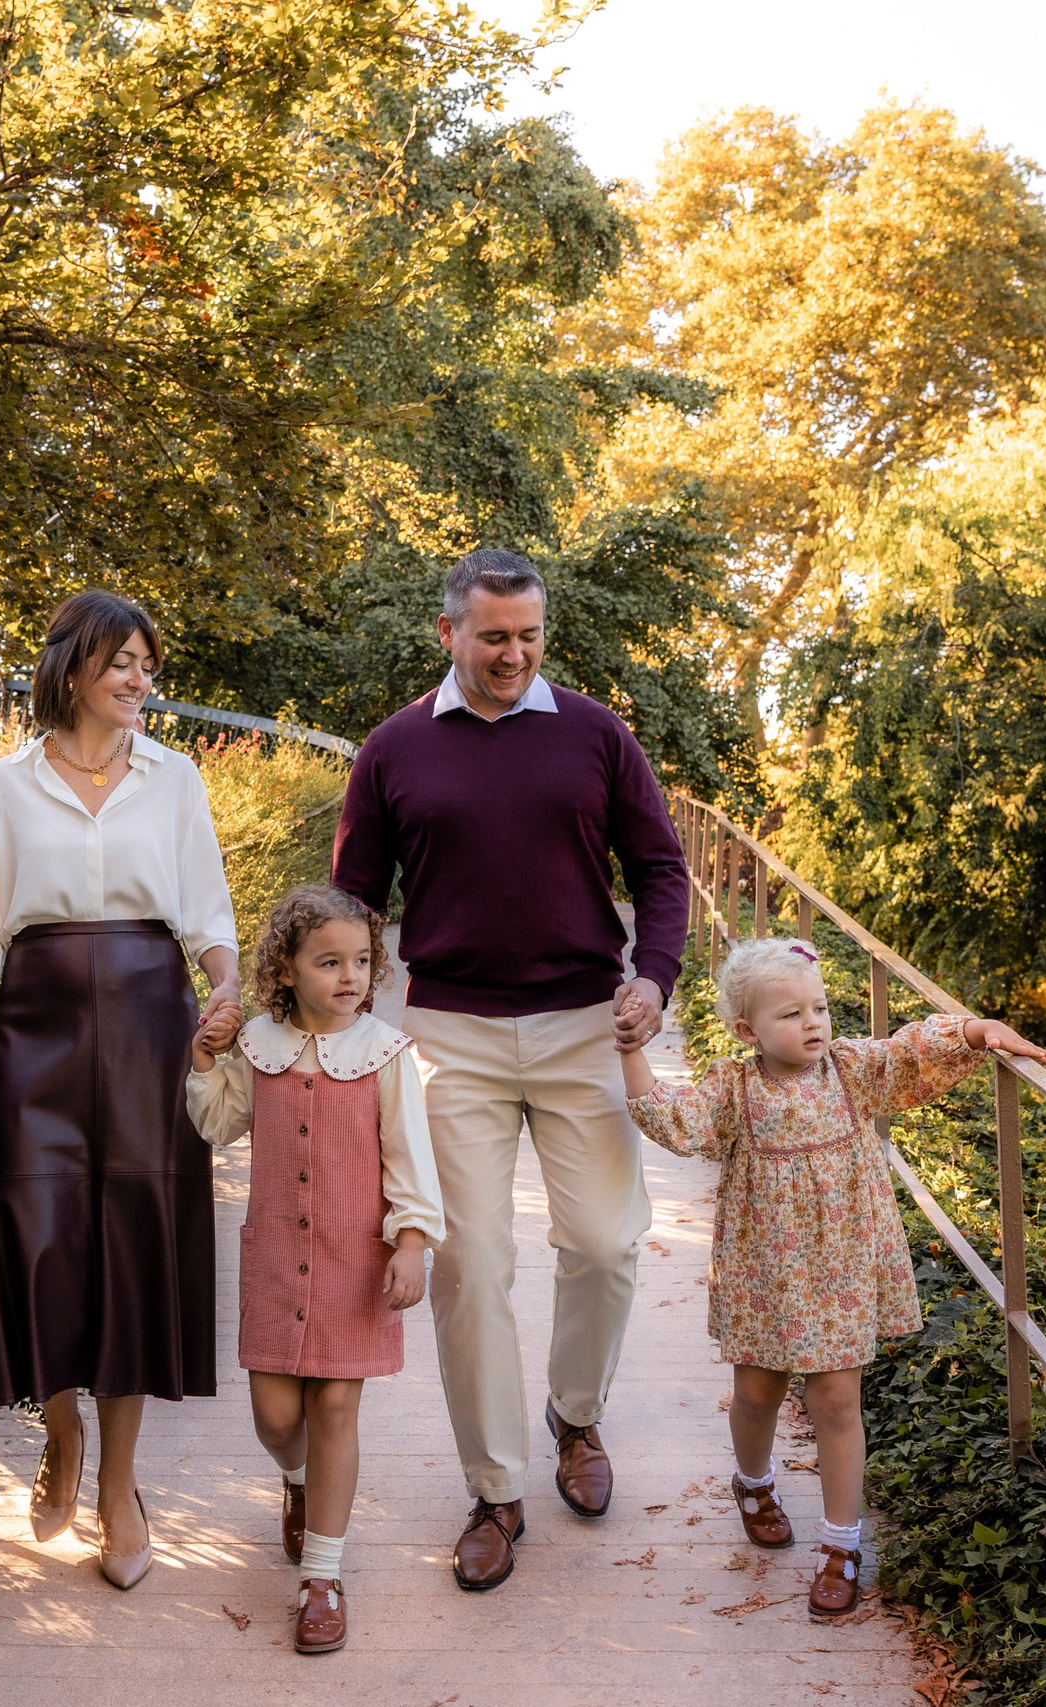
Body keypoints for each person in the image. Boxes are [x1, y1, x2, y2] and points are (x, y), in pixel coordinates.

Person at [330, 547, 688, 1591]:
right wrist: (336, 1023)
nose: (514, 655)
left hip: (586, 1024)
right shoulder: (394, 749)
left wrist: (654, 980)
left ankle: (575, 1418)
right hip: (450, 1033)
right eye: (494, 637)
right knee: (468, 1264)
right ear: (447, 633)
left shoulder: (594, 734)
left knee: (607, 1242)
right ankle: (494, 1490)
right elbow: (352, 900)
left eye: (529, 636)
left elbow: (660, 868)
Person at [0, 588, 241, 1591]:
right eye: (122, 662)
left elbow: (206, 909)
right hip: (37, 1023)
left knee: (135, 1239)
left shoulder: (175, 779)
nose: (139, 680)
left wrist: (228, 992)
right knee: (41, 1239)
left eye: (148, 665)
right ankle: (60, 1428)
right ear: (74, 666)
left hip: (153, 1021)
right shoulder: (6, 785)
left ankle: (119, 1486)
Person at [618, 936, 1046, 1618]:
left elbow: (911, 1053)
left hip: (843, 1266)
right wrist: (629, 1052)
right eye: (790, 1014)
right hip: (766, 1270)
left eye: (818, 1007)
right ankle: (754, 1481)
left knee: (837, 1402)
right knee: (756, 1392)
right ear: (746, 1030)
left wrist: (976, 1030)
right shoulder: (734, 1087)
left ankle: (842, 1545)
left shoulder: (852, 1070)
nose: (813, 1022)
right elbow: (677, 1119)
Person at [184, 884, 443, 1654]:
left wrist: (412, 1241)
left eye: (361, 960)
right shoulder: (258, 1043)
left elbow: (409, 1157)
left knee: (335, 1409)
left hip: (352, 1260)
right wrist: (205, 1058)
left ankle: (322, 1578)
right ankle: (294, 1479)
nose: (349, 975)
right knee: (277, 1418)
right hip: (275, 1263)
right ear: (286, 968)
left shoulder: (386, 1053)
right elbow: (219, 1124)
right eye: (328, 961)